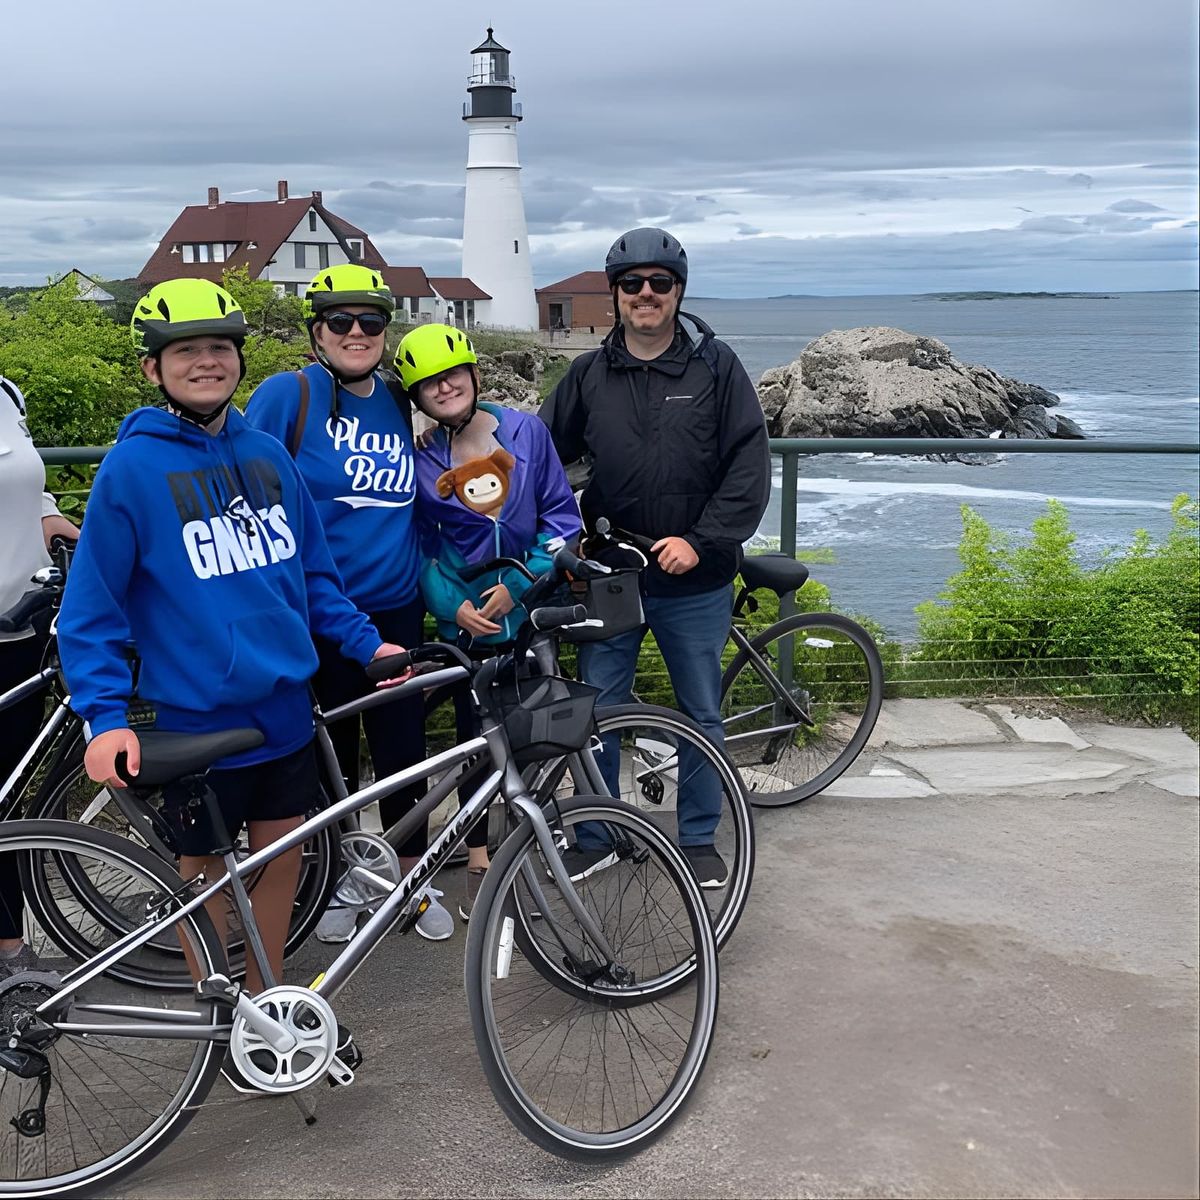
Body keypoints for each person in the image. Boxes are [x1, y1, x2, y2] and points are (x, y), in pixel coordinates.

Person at [56, 279, 407, 1018]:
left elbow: (315, 576)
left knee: (284, 862)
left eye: (220, 347)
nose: (207, 362)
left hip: (284, 709)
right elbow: (91, 612)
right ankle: (217, 1011)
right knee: (204, 877)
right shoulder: (131, 468)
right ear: (154, 368)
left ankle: (267, 1004)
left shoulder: (269, 457)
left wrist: (368, 643)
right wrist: (104, 715)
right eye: (186, 351)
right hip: (197, 719)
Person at [540, 226, 771, 887]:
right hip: (612, 573)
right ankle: (597, 832)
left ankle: (698, 837)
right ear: (614, 294)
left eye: (659, 284)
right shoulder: (587, 375)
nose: (646, 294)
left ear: (678, 292)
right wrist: (555, 533)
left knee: (700, 710)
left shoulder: (716, 366)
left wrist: (699, 541)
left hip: (693, 577)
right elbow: (540, 458)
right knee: (598, 711)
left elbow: (748, 464)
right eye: (632, 284)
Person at [245, 265, 448, 942]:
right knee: (329, 755)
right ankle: (336, 882)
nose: (357, 333)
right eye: (341, 322)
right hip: (319, 611)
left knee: (403, 751)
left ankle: (410, 883)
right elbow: (241, 473)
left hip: (395, 607)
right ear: (316, 333)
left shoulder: (395, 397)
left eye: (370, 322)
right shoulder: (288, 395)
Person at [395, 323, 581, 919]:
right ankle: (477, 856)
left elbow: (560, 517)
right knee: (473, 740)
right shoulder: (420, 460)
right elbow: (421, 548)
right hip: (464, 626)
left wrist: (520, 585)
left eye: (453, 374)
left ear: (474, 374)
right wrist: (454, 608)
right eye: (428, 384)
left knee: (527, 738)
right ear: (417, 397)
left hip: (528, 615)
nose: (444, 387)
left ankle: (510, 852)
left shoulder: (525, 432)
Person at [0, 375, 79, 976]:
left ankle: (7, 946)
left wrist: (53, 516)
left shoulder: (5, 394)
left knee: (9, 796)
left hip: (24, 626)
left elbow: (26, 487)